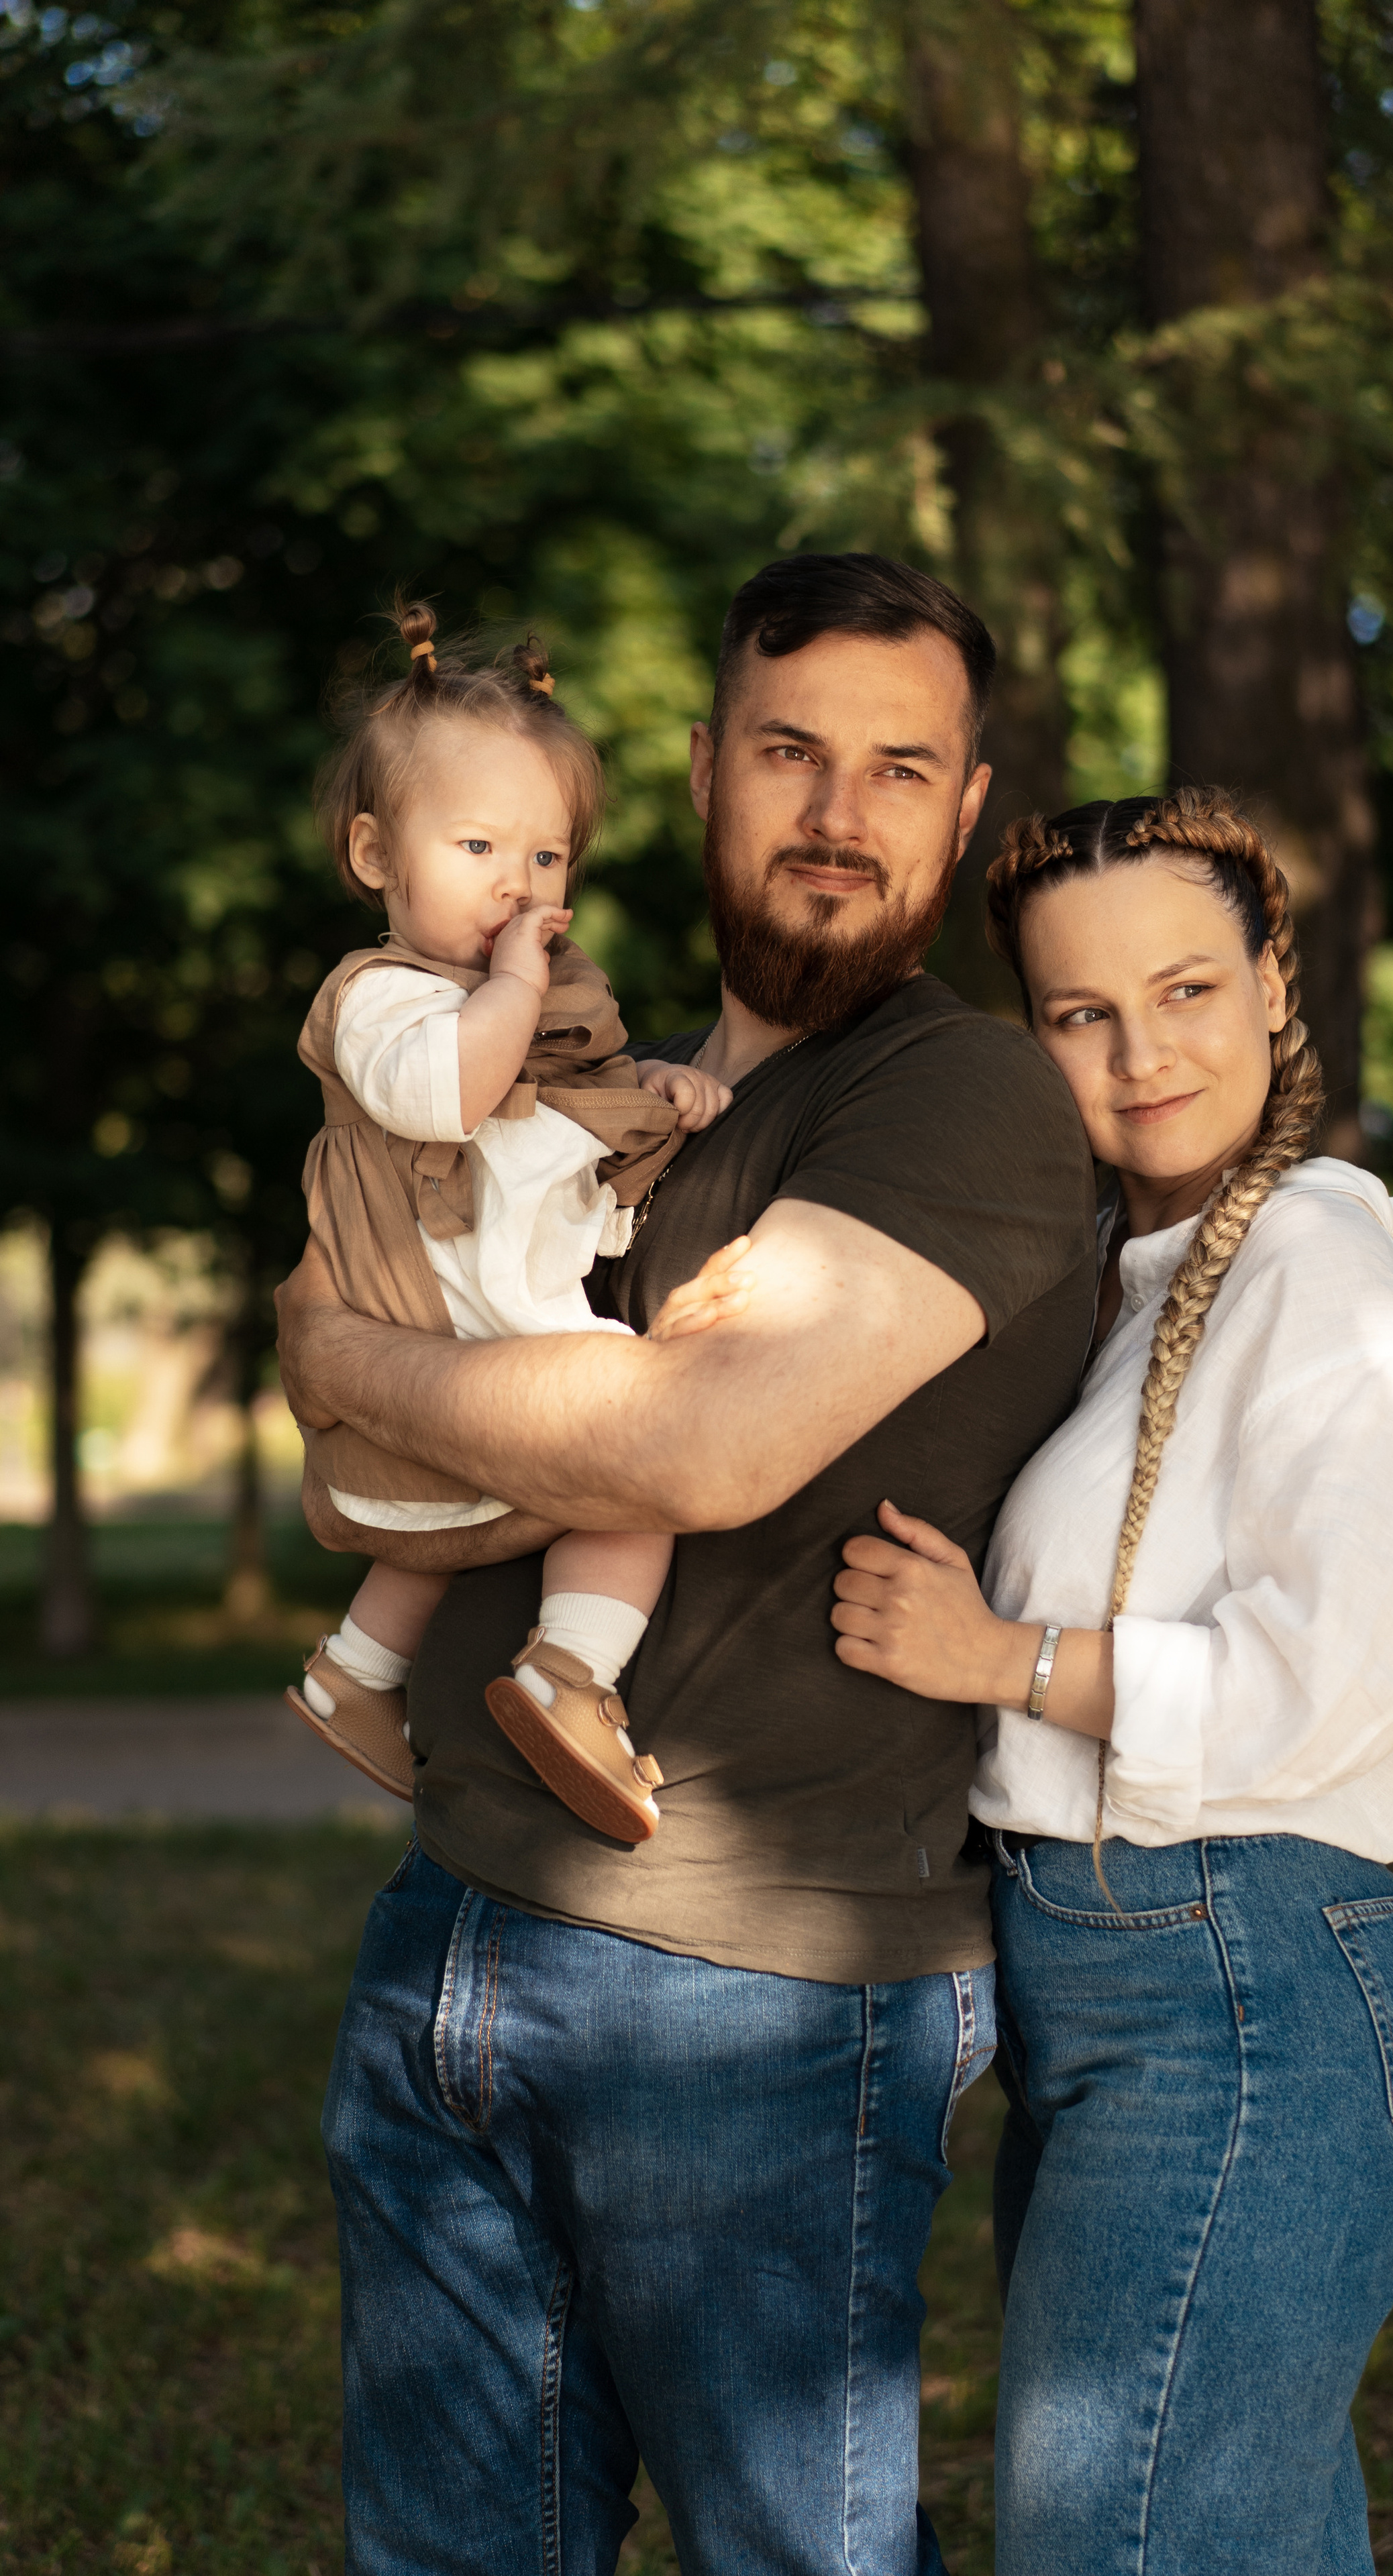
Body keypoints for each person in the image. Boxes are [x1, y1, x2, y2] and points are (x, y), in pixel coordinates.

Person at [273, 553, 1098, 2576]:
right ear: (711, 770)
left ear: (969, 810)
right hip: (454, 1925)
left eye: (900, 769)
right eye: (793, 750)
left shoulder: (960, 1090)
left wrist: (336, 1353)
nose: (839, 810)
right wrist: (385, 1387)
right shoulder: (580, 1072)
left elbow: (693, 1442)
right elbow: (374, 1466)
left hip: (757, 1994)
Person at [830, 788, 1393, 2575]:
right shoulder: (1135, 1288)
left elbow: (1353, 1670)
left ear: (1277, 985)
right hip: (1116, 1999)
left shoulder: (1324, 1274)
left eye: (1190, 989)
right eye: (1082, 1014)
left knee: (1116, 2543)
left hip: (1247, 1998)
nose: (1143, 1055)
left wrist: (1008, 1659)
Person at [286, 598, 735, 1842]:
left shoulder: (514, 996)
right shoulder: (381, 998)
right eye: (479, 848)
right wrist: (526, 980)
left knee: (451, 1506)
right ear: (377, 857)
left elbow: (549, 1114)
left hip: (482, 1302)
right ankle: (572, 1674)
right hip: (449, 1304)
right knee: (637, 1454)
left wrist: (652, 1091)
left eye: (546, 859)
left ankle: (353, 1672)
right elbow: (457, 1094)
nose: (517, 886)